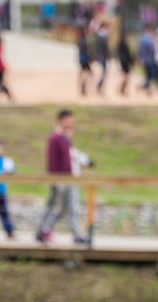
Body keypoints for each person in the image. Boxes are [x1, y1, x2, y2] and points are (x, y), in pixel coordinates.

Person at [36, 109, 85, 245]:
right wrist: (54, 179)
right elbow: (52, 161)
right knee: (55, 206)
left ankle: (76, 235)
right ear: (62, 121)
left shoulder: (65, 138)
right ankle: (42, 230)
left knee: (70, 207)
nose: (71, 124)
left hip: (69, 178)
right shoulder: (55, 138)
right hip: (59, 178)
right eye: (69, 121)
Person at [137, 25, 157, 95]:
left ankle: (145, 87)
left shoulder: (141, 39)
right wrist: (155, 43)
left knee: (148, 75)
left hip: (144, 60)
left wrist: (139, 59)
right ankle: (145, 88)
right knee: (150, 75)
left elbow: (139, 51)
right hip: (149, 60)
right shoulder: (148, 39)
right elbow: (153, 49)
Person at [93, 22, 110, 96]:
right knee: (103, 73)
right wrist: (108, 56)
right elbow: (105, 48)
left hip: (99, 57)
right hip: (102, 57)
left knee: (100, 73)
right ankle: (99, 87)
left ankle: (98, 87)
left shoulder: (97, 36)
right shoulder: (104, 36)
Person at [116, 30, 133, 96]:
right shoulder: (123, 44)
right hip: (125, 62)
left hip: (124, 62)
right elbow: (127, 54)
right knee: (126, 77)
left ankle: (122, 89)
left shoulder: (120, 43)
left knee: (125, 76)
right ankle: (120, 88)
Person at [77, 28, 92, 97]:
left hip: (81, 59)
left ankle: (82, 87)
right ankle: (83, 87)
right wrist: (89, 59)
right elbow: (85, 52)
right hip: (84, 59)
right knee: (87, 73)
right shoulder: (84, 42)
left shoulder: (80, 41)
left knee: (83, 73)